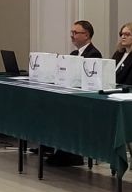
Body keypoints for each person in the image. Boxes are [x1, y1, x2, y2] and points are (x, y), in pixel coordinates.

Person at [45, 20, 104, 167]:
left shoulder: (94, 54)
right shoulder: (73, 54)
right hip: (74, 94)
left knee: (67, 113)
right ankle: (51, 145)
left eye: (75, 33)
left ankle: (71, 153)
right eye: (72, 32)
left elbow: (88, 79)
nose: (72, 36)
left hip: (87, 99)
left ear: (86, 35)